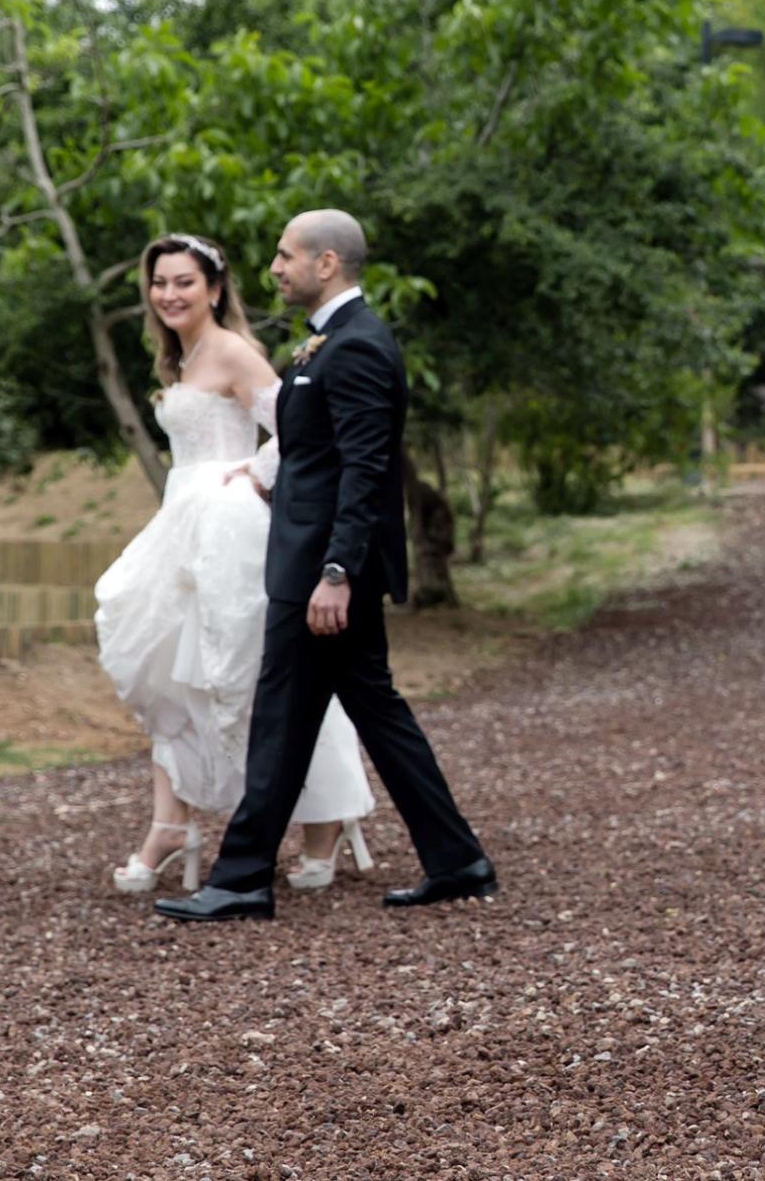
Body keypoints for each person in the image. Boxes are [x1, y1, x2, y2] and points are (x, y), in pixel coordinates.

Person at [155, 210, 497, 922]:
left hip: (321, 577)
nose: (275, 268)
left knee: (284, 718)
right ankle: (456, 858)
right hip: (309, 570)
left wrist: (337, 571)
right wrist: (260, 474)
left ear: (327, 263)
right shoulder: (325, 343)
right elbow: (313, 453)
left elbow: (367, 470)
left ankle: (243, 877)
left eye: (286, 257)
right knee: (370, 712)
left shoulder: (359, 347)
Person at [97, 233, 374, 896]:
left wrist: (255, 474)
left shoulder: (230, 350)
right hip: (182, 525)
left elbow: (300, 424)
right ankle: (172, 824)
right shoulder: (181, 356)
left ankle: (325, 819)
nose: (170, 294)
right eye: (160, 283)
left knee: (258, 672)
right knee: (172, 671)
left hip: (229, 528)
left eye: (184, 282)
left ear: (215, 288)